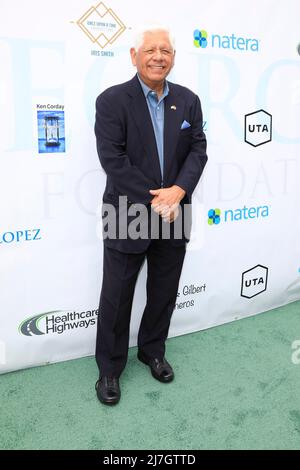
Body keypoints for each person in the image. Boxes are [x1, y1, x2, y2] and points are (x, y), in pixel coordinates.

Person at [94, 25, 207, 405]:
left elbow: (198, 151)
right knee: (117, 293)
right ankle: (109, 369)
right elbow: (113, 159)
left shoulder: (189, 101)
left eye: (167, 50)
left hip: (176, 208)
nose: (159, 56)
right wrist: (156, 198)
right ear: (134, 55)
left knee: (164, 289)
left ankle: (152, 351)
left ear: (174, 57)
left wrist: (179, 191)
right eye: (151, 50)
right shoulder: (112, 100)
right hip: (128, 209)